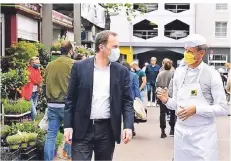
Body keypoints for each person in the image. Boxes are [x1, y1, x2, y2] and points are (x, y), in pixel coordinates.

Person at [64, 30, 134, 161]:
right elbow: (70, 99)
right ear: (101, 47)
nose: (117, 50)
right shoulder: (79, 67)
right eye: (114, 47)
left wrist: (128, 126)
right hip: (82, 128)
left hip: (107, 130)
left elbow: (127, 101)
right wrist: (67, 126)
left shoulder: (121, 72)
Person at [157, 34, 228, 161]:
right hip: (182, 135)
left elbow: (223, 108)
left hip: (203, 136)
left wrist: (196, 109)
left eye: (190, 51)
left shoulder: (212, 74)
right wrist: (166, 100)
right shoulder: (179, 73)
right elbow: (177, 105)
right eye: (185, 50)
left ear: (201, 53)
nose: (186, 54)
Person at [44, 40, 75, 161]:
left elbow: (45, 82)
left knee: (51, 135)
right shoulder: (73, 64)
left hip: (52, 104)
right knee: (70, 133)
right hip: (68, 105)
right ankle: (68, 157)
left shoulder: (50, 65)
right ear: (70, 50)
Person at [156, 60, 176, 138]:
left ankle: (163, 131)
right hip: (171, 95)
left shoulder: (160, 74)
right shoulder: (173, 74)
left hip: (162, 94)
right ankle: (172, 129)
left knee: (162, 113)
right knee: (172, 112)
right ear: (171, 66)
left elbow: (157, 84)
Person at [121, 61, 141, 136]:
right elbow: (136, 88)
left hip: (119, 97)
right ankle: (130, 128)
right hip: (130, 98)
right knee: (129, 114)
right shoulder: (134, 75)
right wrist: (139, 98)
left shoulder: (119, 75)